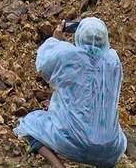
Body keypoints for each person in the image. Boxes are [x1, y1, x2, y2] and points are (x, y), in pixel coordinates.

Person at [15, 17, 124, 168]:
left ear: (79, 35)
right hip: (110, 149)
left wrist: (56, 41)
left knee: (30, 123)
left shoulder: (68, 56)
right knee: (110, 134)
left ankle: (58, 166)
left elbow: (43, 65)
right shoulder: (113, 62)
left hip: (72, 143)